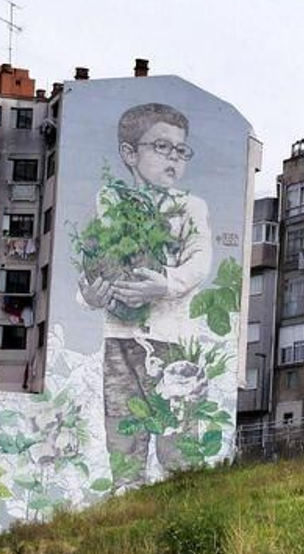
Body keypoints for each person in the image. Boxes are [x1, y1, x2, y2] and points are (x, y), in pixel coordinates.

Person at [78, 102, 212, 486]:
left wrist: (165, 283)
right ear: (129, 154)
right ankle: (125, 502)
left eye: (180, 150)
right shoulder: (110, 203)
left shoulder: (189, 207)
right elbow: (92, 256)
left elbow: (200, 261)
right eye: (161, 147)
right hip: (119, 338)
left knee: (177, 436)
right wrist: (91, 294)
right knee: (123, 430)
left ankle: (179, 502)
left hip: (172, 340)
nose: (173, 157)